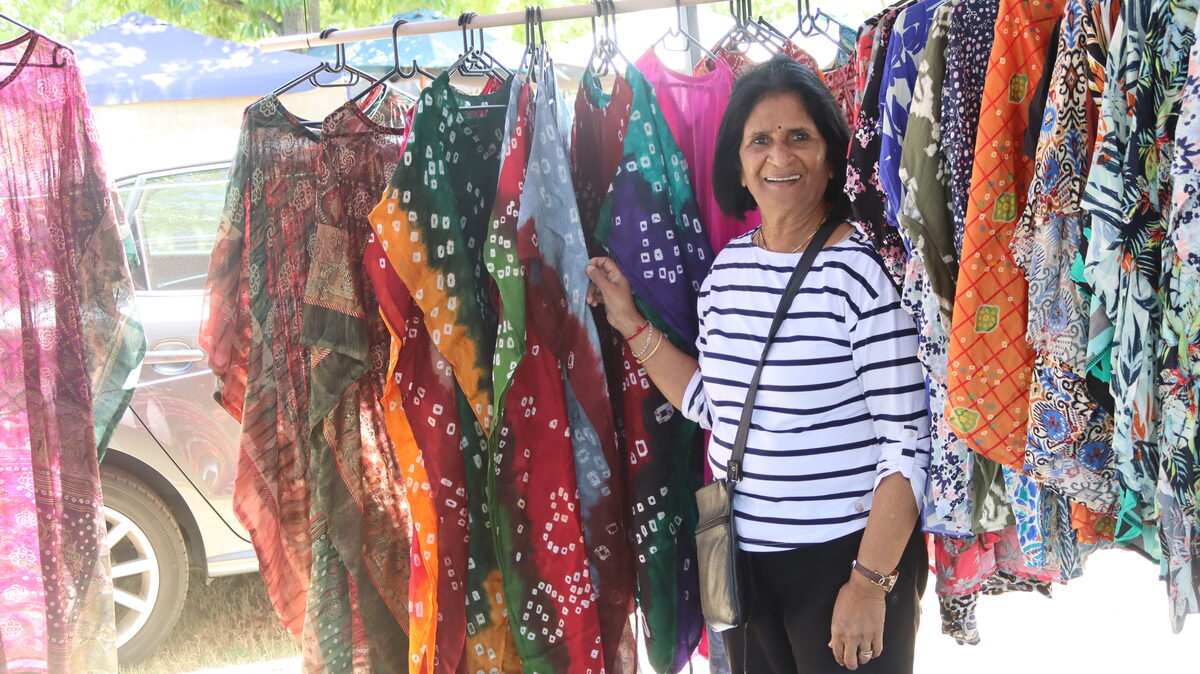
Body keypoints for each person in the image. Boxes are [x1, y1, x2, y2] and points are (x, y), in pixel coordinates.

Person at [585, 55, 930, 673]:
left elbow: (907, 442)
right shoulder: (727, 272)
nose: (780, 156)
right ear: (738, 165)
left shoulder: (863, 272)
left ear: (830, 155)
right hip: (743, 564)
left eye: (800, 136)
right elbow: (711, 404)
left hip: (842, 562)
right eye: (760, 141)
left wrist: (869, 583)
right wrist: (627, 321)